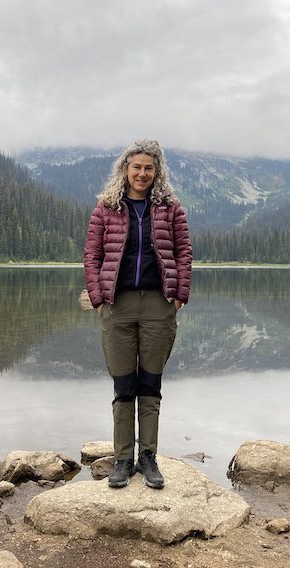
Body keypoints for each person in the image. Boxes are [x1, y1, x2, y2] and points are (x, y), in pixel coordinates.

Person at [83, 139, 192, 489]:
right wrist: (99, 298)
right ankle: (122, 459)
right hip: (118, 306)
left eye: (149, 167)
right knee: (123, 386)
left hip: (159, 305)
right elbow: (91, 256)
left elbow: (184, 252)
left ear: (156, 171)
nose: (142, 173)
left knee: (150, 384)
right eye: (136, 167)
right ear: (125, 170)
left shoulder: (170, 208)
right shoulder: (106, 207)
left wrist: (179, 296)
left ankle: (148, 458)